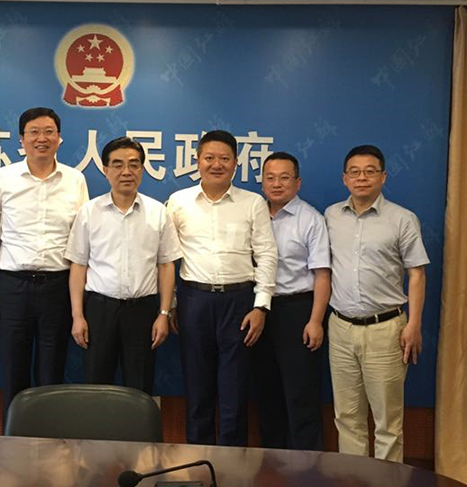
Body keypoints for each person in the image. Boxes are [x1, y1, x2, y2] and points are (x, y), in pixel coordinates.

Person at [166, 130, 277, 446]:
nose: (217, 164)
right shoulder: (178, 201)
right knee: (196, 388)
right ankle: (198, 459)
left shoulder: (253, 203)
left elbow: (267, 254)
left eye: (224, 158)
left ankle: (232, 464)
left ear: (236, 163)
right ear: (197, 160)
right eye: (210, 158)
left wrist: (261, 306)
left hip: (239, 302)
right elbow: (166, 257)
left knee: (235, 390)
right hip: (194, 301)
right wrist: (170, 305)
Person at [0, 107, 89, 420]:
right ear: (21, 139)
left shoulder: (75, 180)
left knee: (52, 371)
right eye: (34, 132)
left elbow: (82, 240)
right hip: (12, 286)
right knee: (13, 369)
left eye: (49, 131)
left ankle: (48, 438)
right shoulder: (1, 179)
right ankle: (12, 438)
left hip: (58, 286)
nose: (42, 138)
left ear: (59, 137)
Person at [325, 144, 428, 462]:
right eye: (354, 172)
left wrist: (414, 324)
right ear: (344, 178)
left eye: (370, 171)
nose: (362, 178)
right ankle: (353, 479)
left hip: (386, 330)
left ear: (383, 177)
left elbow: (417, 274)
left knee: (387, 423)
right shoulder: (331, 216)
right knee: (347, 417)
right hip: (340, 327)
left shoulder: (402, 219)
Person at [66, 137, 181, 394]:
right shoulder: (89, 212)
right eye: (117, 165)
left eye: (134, 164)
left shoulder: (158, 212)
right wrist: (77, 316)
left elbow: (166, 265)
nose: (126, 172)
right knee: (96, 386)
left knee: (140, 387)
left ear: (142, 169)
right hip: (99, 310)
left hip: (142, 311)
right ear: (105, 170)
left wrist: (164, 314)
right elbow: (78, 266)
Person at [254, 151, 330, 450]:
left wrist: (315, 320)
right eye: (270, 178)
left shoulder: (311, 219)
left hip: (298, 310)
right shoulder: (254, 214)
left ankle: (307, 466)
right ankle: (273, 463)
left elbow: (322, 275)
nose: (277, 184)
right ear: (262, 183)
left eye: (284, 178)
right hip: (260, 310)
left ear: (297, 183)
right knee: (266, 391)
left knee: (301, 394)